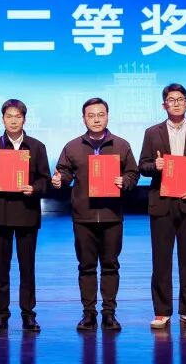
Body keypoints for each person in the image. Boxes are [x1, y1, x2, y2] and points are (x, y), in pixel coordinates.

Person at [52, 97, 139, 331]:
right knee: (86, 266)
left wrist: (125, 180)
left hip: (112, 215)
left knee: (111, 265)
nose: (96, 119)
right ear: (84, 119)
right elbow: (64, 172)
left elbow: (133, 173)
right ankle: (88, 313)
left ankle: (109, 312)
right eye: (91, 115)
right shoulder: (72, 146)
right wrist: (60, 180)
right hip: (84, 216)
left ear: (107, 116)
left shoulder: (121, 145)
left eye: (101, 115)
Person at [138, 83, 186, 329]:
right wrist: (155, 166)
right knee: (161, 261)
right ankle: (161, 312)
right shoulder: (152, 132)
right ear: (164, 105)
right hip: (162, 203)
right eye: (171, 100)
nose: (176, 103)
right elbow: (142, 166)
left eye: (180, 99)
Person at [0, 99, 51, 333]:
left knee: (27, 268)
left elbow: (45, 180)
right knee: (1, 268)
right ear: (3, 119)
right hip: (0, 213)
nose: (13, 120)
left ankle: (28, 315)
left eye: (18, 116)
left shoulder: (36, 147)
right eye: (9, 116)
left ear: (24, 119)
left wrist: (34, 188)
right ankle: (1, 315)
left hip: (27, 213)